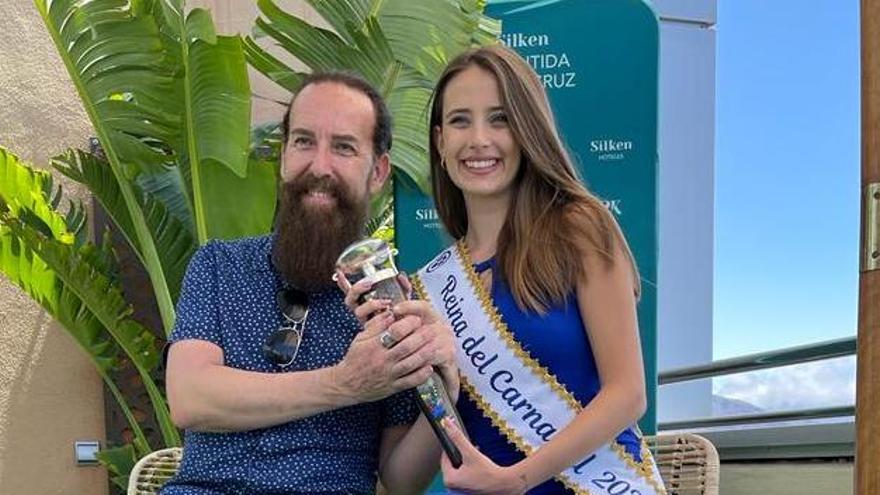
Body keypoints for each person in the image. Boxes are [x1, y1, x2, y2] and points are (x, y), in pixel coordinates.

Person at [346, 45, 666, 494]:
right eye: (460, 120)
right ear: (440, 142)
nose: (479, 139)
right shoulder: (427, 290)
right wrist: (440, 383)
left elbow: (628, 393)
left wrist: (516, 479)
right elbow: (400, 481)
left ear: (528, 130)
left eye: (500, 119)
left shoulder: (580, 227)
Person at [161, 71, 458, 495]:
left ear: (378, 172)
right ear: (283, 157)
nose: (320, 167)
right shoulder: (218, 265)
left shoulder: (391, 306)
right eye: (304, 141)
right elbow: (190, 398)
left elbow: (400, 480)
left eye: (343, 147)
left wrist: (445, 384)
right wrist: (346, 383)